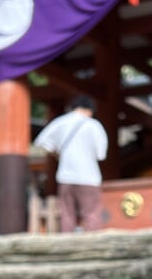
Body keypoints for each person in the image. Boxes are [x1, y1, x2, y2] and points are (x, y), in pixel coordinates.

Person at [33, 95, 108, 232]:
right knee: (91, 214)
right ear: (89, 110)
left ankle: (66, 247)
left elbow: (41, 141)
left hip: (65, 177)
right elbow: (101, 154)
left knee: (67, 215)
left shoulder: (61, 122)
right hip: (89, 177)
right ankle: (93, 248)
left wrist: (56, 153)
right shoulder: (94, 125)